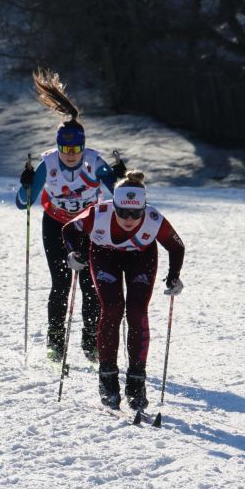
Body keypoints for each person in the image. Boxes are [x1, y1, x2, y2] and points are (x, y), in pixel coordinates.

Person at [15, 68, 125, 363]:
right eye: (66, 148)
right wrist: (25, 185)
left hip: (89, 226)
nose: (71, 154)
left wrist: (120, 177)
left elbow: (118, 194)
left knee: (91, 284)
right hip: (56, 225)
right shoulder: (48, 164)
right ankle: (55, 343)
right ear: (59, 146)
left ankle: (91, 343)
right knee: (61, 283)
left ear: (83, 146)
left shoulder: (93, 162)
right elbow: (23, 203)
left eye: (76, 148)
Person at [62, 171, 184, 411]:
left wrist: (174, 277)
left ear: (144, 208)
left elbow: (176, 246)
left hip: (141, 258)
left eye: (135, 213)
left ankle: (136, 383)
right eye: (123, 212)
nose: (129, 219)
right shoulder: (98, 213)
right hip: (104, 256)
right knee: (113, 309)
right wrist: (73, 253)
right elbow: (69, 229)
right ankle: (107, 380)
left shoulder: (154, 218)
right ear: (114, 205)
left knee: (137, 312)